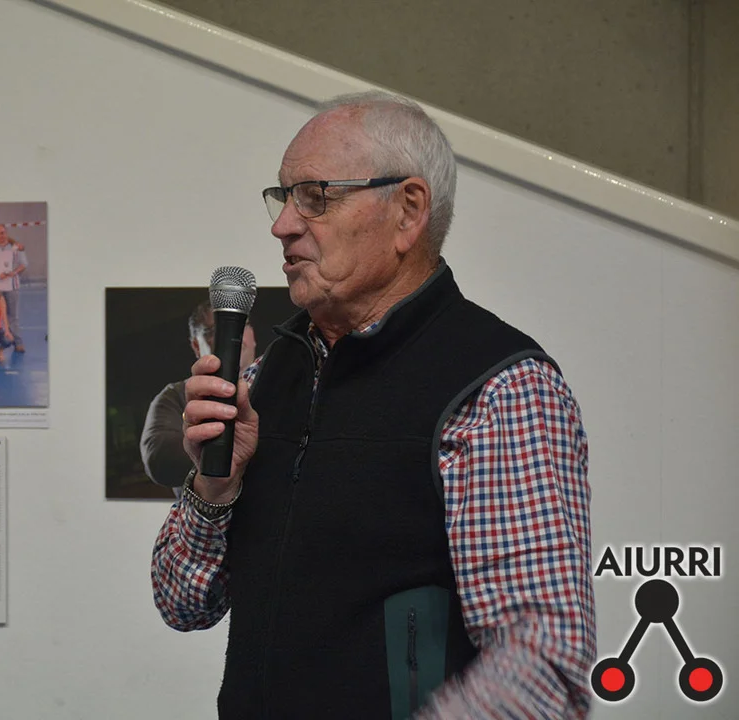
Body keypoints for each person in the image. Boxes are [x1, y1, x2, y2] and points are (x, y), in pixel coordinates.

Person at [153, 91, 595, 719]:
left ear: (408, 210)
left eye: (315, 196)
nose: (282, 226)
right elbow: (180, 603)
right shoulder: (264, 377)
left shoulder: (498, 389)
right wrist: (215, 488)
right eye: (283, 198)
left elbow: (543, 668)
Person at [140, 301, 255, 500]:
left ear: (252, 335)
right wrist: (222, 444)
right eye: (212, 330)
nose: (230, 334)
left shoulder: (283, 382)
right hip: (202, 515)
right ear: (196, 345)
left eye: (240, 324)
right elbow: (158, 460)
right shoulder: (174, 396)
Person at [0, 224, 27, 353]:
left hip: (12, 288)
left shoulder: (16, 248)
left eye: (2, 233)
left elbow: (24, 264)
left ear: (6, 233)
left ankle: (18, 343)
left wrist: (14, 273)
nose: (0, 236)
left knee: (13, 316)